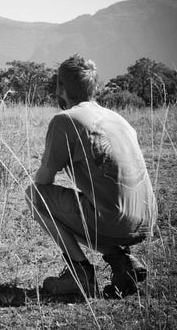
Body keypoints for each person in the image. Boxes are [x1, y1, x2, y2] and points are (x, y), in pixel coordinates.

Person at [25, 54, 157, 298]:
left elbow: (44, 181)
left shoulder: (65, 120)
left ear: (61, 88)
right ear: (95, 87)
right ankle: (121, 263)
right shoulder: (119, 119)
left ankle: (80, 273)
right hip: (147, 221)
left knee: (34, 196)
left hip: (114, 221)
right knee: (91, 208)